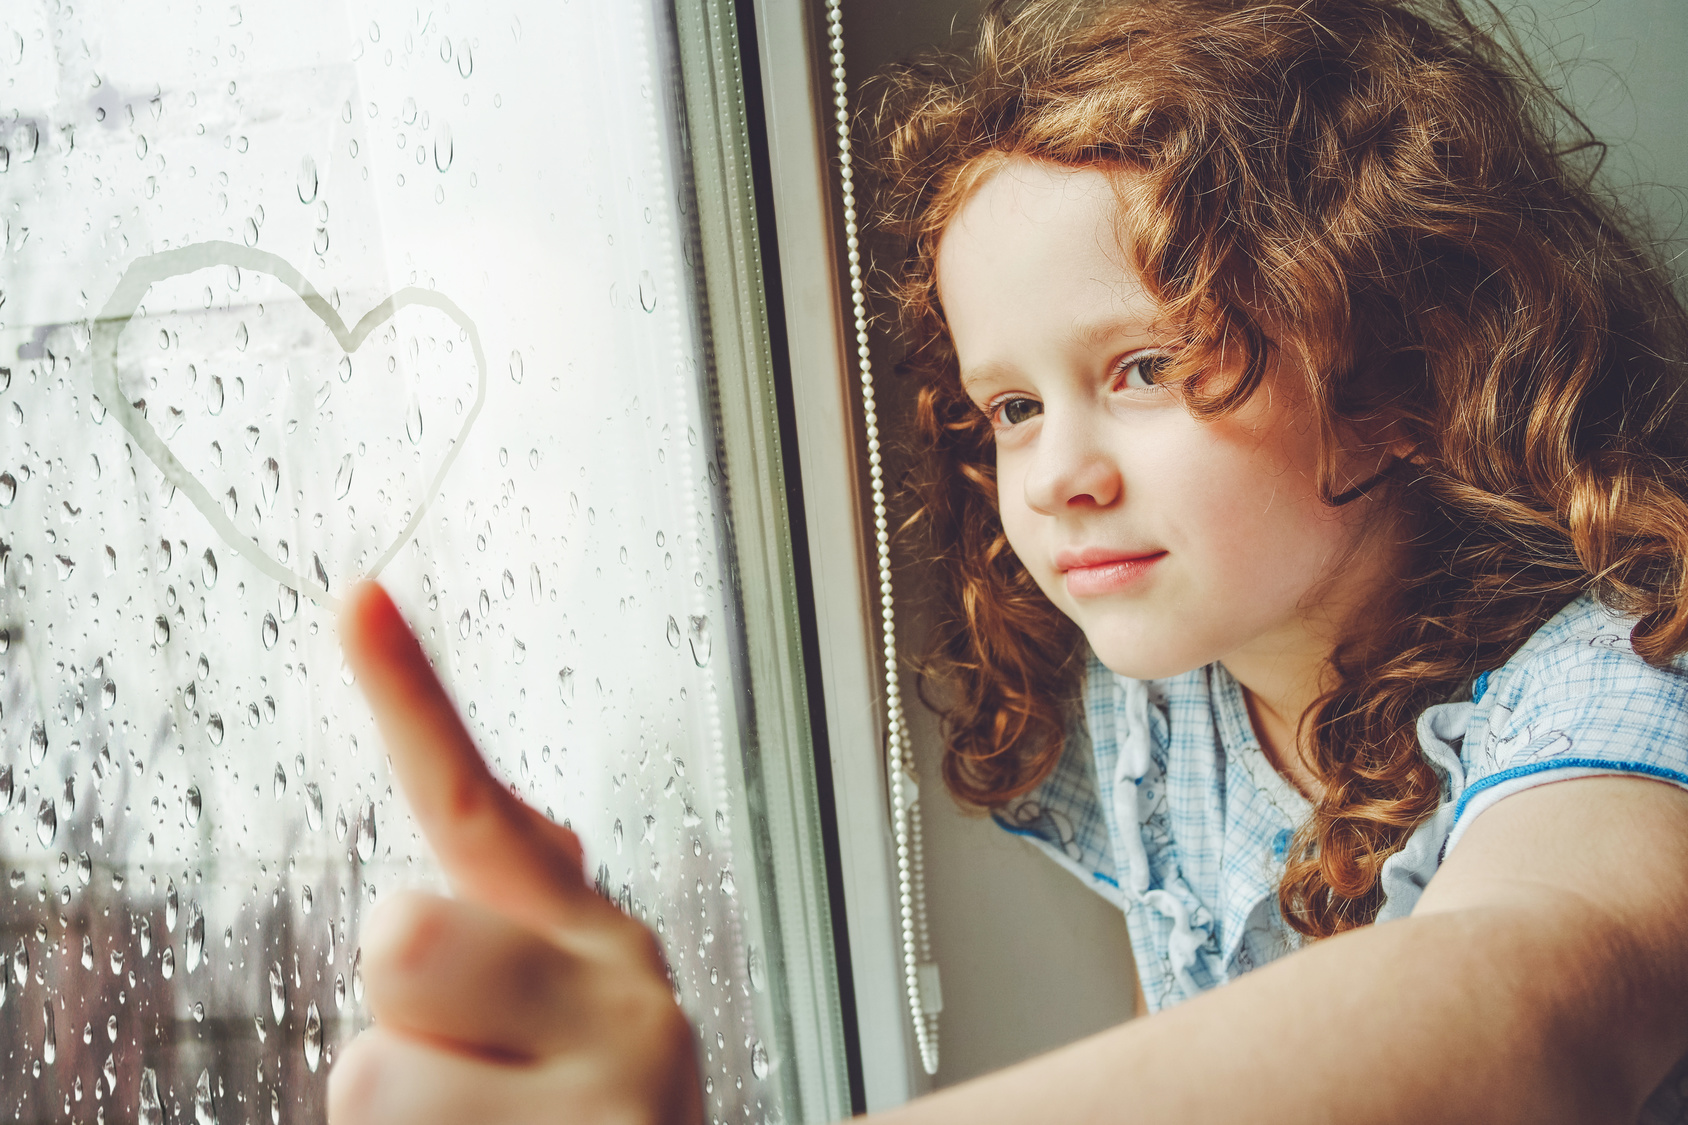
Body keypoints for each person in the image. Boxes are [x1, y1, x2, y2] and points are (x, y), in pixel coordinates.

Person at [327, 0, 1688, 1122]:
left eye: (1144, 367)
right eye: (1015, 406)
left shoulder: (1618, 675)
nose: (1055, 475)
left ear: (1394, 368)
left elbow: (1528, 1001)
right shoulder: (1164, 703)